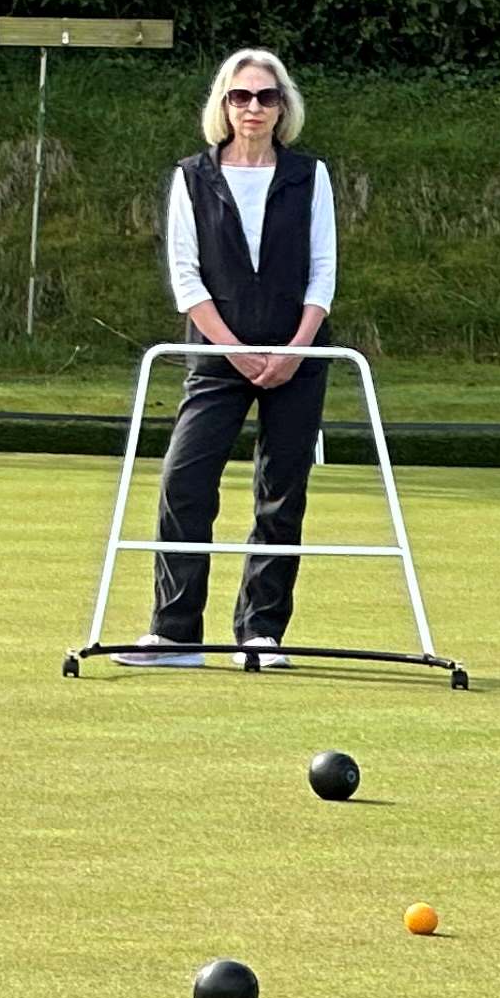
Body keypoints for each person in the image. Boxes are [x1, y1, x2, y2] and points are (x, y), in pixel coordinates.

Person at [126, 46, 336, 670]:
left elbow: (322, 273)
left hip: (297, 353)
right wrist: (238, 352)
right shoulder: (191, 177)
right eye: (241, 96)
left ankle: (261, 634)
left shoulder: (310, 175)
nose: (253, 107)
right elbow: (187, 280)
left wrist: (294, 350)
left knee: (281, 489)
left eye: (266, 97)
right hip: (216, 354)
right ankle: (175, 632)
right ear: (224, 104)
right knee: (184, 481)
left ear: (283, 108)